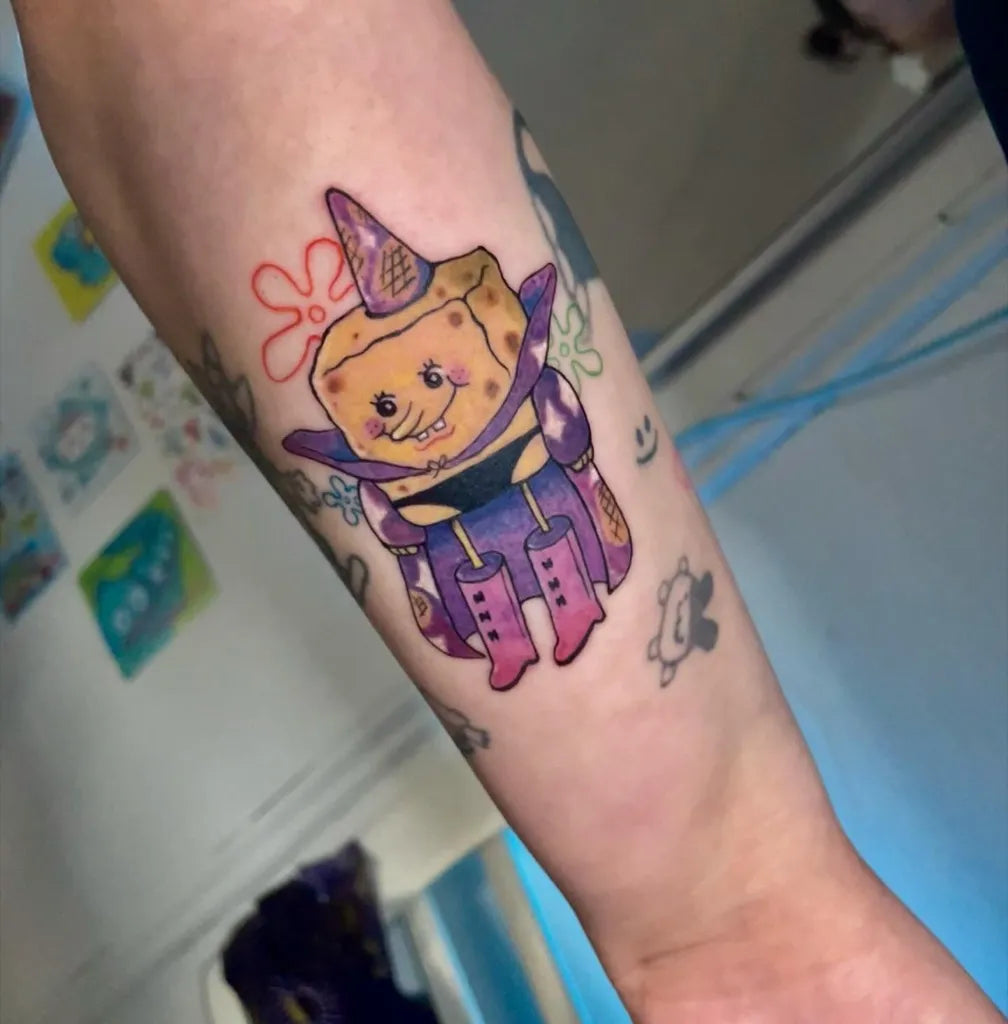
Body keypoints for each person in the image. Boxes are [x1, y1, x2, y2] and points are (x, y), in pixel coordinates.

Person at [11, 2, 1002, 1020]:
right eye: (386, 403)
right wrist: (731, 906)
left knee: (560, 588)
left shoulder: (499, 367)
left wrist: (733, 907)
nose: (417, 404)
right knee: (516, 608)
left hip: (540, 515)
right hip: (482, 550)